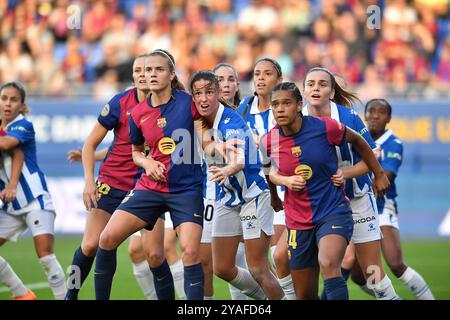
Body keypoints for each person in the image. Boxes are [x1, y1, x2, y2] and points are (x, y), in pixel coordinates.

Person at [260, 81, 390, 299]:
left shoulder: (325, 127)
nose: (280, 109)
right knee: (305, 294)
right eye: (275, 104)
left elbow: (358, 140)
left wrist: (378, 173)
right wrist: (278, 191)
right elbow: (268, 171)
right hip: (297, 220)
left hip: (332, 210)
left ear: (299, 105)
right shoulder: (269, 140)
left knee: (328, 262)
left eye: (286, 103)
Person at [94, 49, 206, 300]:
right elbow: (136, 152)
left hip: (186, 190)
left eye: (158, 69)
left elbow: (205, 136)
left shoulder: (188, 102)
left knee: (188, 252)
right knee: (107, 238)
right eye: (147, 70)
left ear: (171, 74)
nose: (151, 74)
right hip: (150, 188)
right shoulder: (138, 113)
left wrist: (216, 148)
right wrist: (147, 163)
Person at [65, 54, 173, 300]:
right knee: (91, 245)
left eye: (148, 70)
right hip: (111, 184)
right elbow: (91, 144)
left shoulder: (169, 106)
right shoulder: (119, 103)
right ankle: (69, 295)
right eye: (138, 71)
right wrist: (89, 182)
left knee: (155, 255)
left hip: (147, 188)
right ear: (133, 76)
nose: (143, 75)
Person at [301, 67, 399, 300]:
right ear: (304, 91)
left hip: (356, 200)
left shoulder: (348, 117)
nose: (316, 88)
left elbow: (372, 157)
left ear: (332, 92)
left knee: (373, 272)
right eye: (311, 84)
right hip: (318, 204)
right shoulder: (296, 119)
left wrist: (345, 174)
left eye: (322, 84)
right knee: (290, 260)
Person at [191, 70, 285, 300]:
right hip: (227, 197)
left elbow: (239, 158)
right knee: (221, 267)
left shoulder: (231, 121)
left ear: (218, 94)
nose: (203, 98)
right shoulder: (199, 120)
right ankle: (265, 299)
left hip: (253, 196)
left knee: (258, 268)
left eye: (209, 92)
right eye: (198, 94)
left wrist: (229, 168)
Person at [362, 98, 434, 300]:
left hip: (382, 207)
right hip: (359, 208)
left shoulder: (393, 143)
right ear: (365, 115)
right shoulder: (360, 139)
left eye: (380, 112)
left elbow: (385, 177)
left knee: (395, 264)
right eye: (371, 111)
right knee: (359, 276)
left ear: (389, 118)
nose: (375, 116)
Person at [0, 81, 66, 300]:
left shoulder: (23, 125)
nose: (8, 104)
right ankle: (22, 294)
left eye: (14, 99)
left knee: (45, 256)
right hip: (9, 206)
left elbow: (11, 146)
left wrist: (11, 185)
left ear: (22, 105)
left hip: (35, 200)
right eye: (4, 99)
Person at [237, 58, 295, 299]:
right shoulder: (241, 110)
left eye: (267, 73)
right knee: (248, 263)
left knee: (279, 257)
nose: (260, 78)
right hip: (251, 193)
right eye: (257, 73)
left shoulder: (286, 110)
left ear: (279, 80)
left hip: (283, 192)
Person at [193, 63, 248, 301]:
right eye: (220, 79)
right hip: (209, 193)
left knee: (240, 262)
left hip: (245, 194)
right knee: (205, 262)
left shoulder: (246, 113)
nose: (225, 84)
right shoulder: (200, 116)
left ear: (237, 84)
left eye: (229, 79)